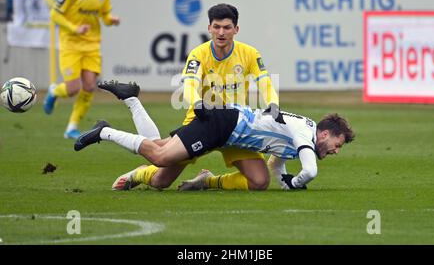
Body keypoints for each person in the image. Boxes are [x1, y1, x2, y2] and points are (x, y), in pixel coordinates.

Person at [106, 3, 282, 191]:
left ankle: (207, 181)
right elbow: (189, 83)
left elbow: (265, 82)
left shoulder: (249, 53)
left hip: (235, 125)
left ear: (236, 29)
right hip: (203, 121)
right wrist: (197, 103)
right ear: (209, 28)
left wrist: (273, 103)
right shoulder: (199, 54)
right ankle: (140, 173)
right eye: (216, 27)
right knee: (161, 181)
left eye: (226, 27)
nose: (221, 32)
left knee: (260, 181)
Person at [73, 82, 355, 190]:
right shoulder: (304, 133)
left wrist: (284, 180)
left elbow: (277, 164)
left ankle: (132, 100)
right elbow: (310, 171)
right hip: (221, 123)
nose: (336, 150)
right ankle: (104, 131)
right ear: (326, 133)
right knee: (159, 161)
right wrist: (296, 182)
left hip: (229, 131)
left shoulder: (300, 136)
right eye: (336, 144)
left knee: (159, 150)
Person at [43, 0, 120, 139]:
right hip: (71, 44)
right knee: (72, 89)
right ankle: (54, 90)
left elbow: (104, 15)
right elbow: (54, 14)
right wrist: (73, 28)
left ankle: (72, 127)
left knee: (89, 86)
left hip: (92, 45)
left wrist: (112, 20)